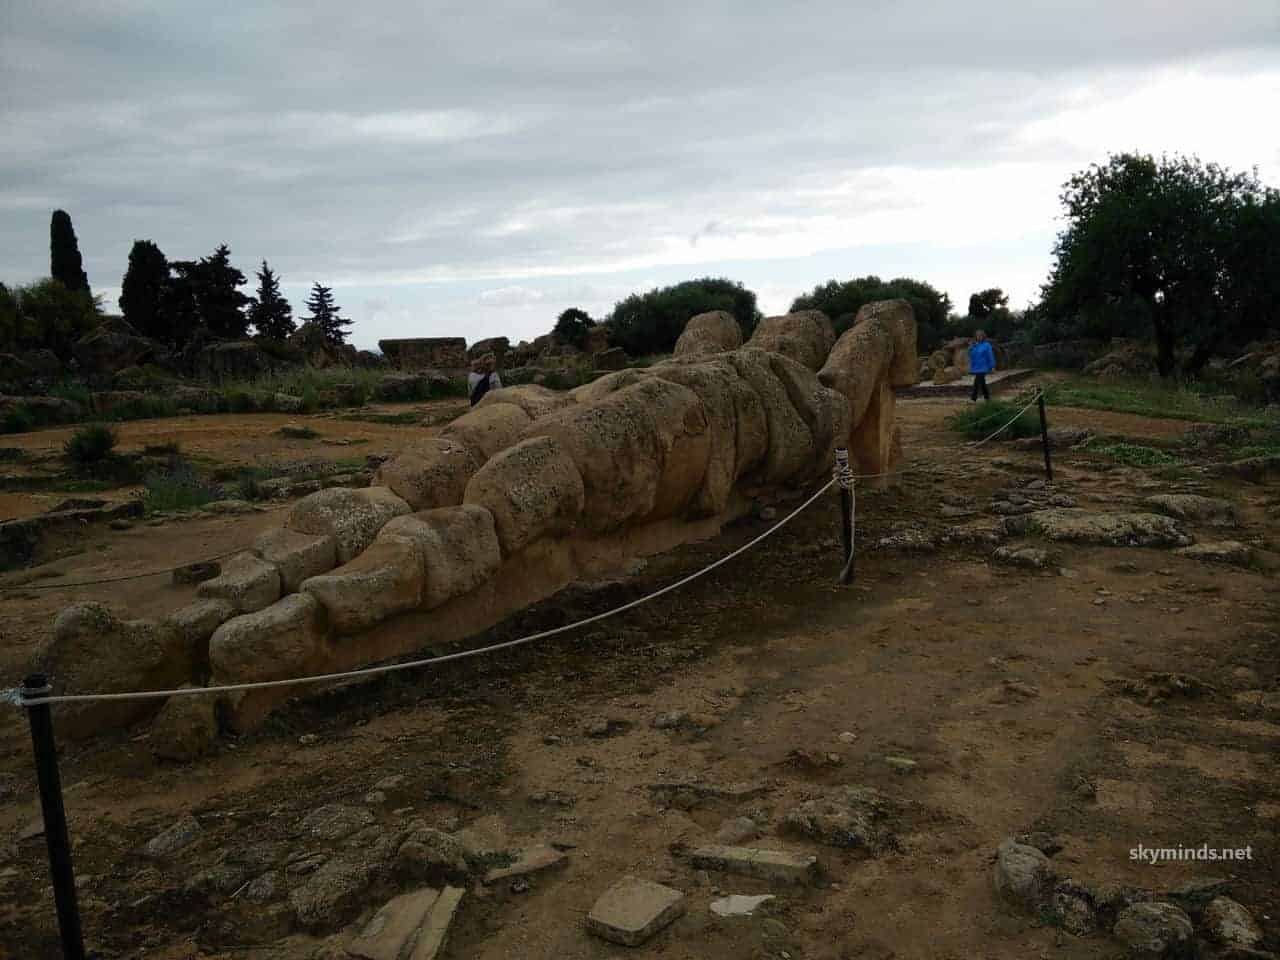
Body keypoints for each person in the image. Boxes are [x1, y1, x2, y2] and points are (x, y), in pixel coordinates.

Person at [968, 330, 995, 402]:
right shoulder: (975, 345)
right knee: (982, 383)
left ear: (983, 336)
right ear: (976, 337)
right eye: (977, 335)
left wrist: (992, 366)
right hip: (976, 367)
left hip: (984, 367)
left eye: (980, 335)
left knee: (976, 382)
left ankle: (973, 399)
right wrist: (970, 349)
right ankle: (987, 398)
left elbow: (990, 355)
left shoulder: (987, 345)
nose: (979, 337)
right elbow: (971, 356)